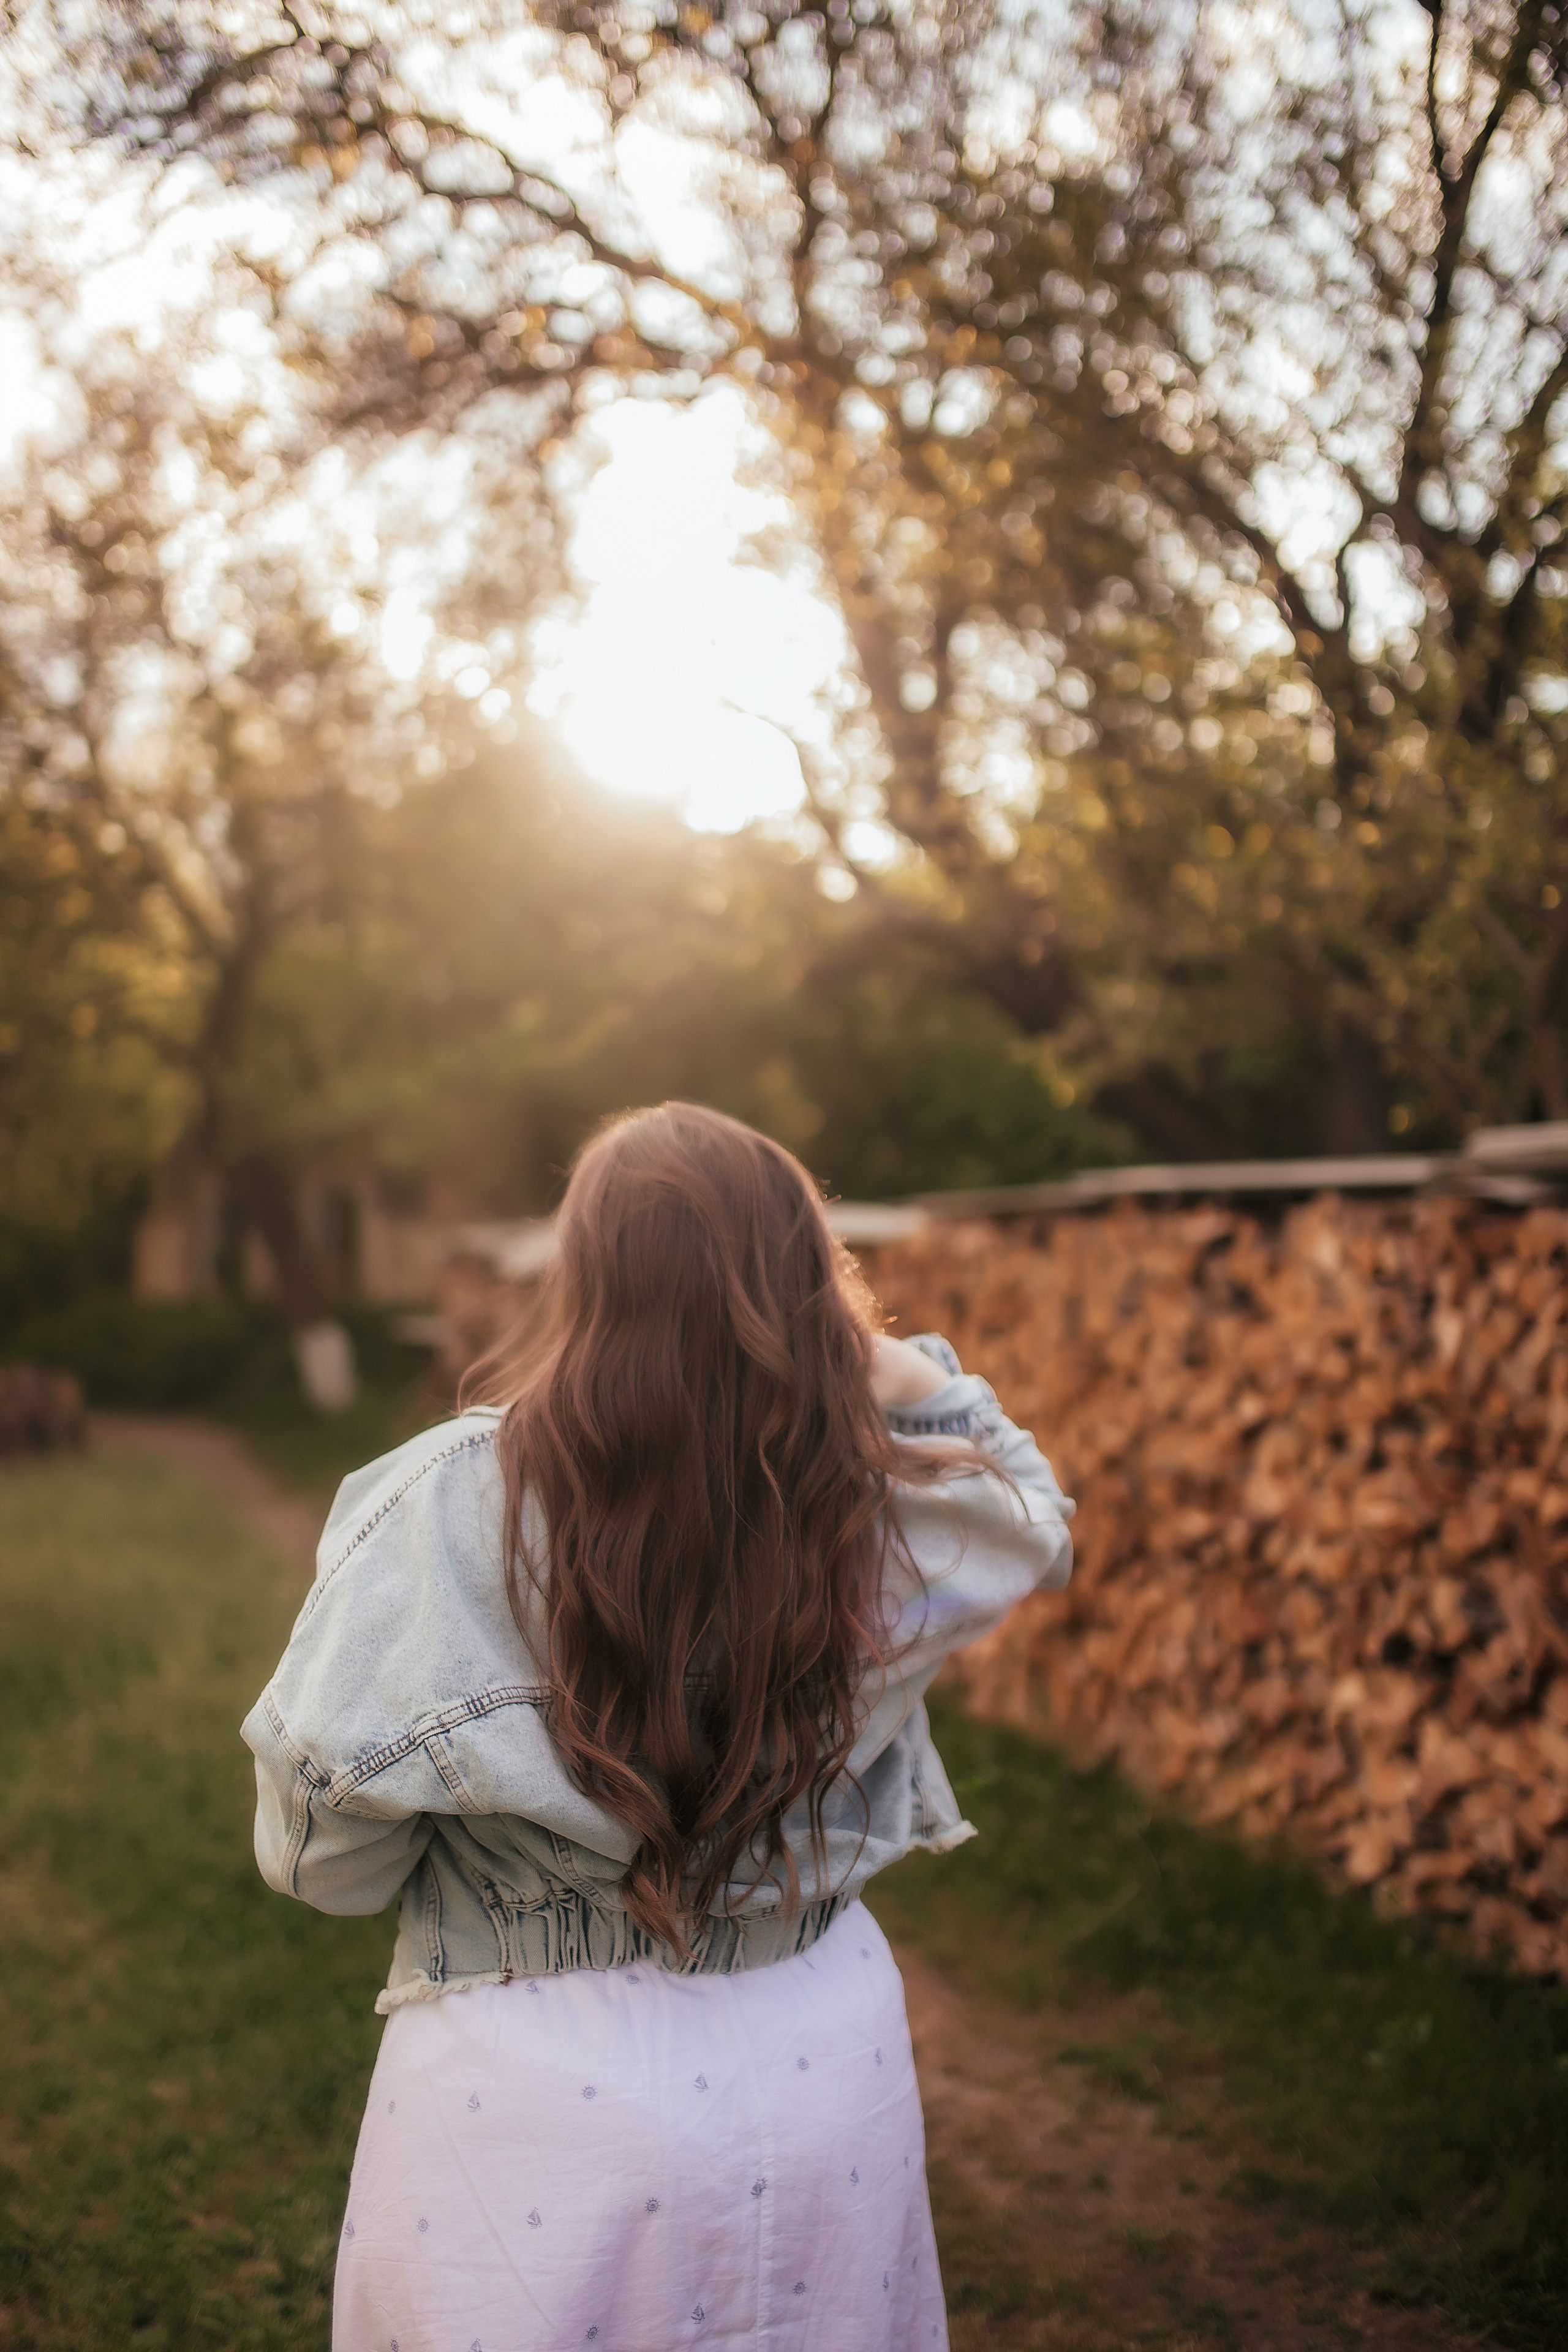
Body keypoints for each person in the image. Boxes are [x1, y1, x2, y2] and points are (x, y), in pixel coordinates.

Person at [243, 1102, 1074, 2352]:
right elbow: (1034, 1519)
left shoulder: (437, 1500)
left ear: (585, 1281)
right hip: (818, 2062)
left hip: (529, 2081)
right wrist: (868, 1353)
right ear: (811, 1284)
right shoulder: (879, 1509)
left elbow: (316, 1846)